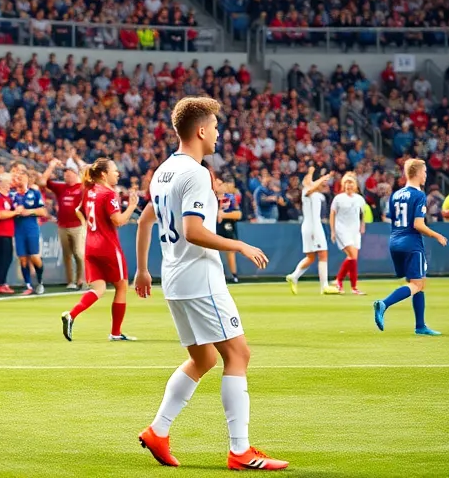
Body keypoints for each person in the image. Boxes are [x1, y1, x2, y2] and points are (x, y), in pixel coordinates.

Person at [135, 96, 287, 471]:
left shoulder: (163, 171)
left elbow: (144, 220)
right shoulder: (196, 174)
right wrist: (239, 243)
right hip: (200, 279)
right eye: (215, 127)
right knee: (238, 355)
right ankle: (240, 450)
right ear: (201, 131)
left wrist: (142, 270)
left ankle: (158, 430)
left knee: (202, 358)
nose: (219, 133)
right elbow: (193, 230)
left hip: (174, 279)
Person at [60, 158, 138, 342]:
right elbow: (118, 220)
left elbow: (79, 210)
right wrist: (132, 207)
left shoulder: (89, 191)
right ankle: (116, 333)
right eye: (115, 170)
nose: (117, 173)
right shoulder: (109, 194)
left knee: (98, 288)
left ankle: (71, 315)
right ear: (104, 174)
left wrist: (87, 225)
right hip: (108, 246)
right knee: (121, 286)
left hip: (91, 245)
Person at [373, 159, 447, 336]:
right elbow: (418, 225)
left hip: (395, 242)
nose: (426, 176)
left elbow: (391, 218)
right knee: (417, 284)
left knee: (418, 281)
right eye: (425, 172)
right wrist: (437, 235)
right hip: (411, 243)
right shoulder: (419, 195)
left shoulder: (396, 194)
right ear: (418, 173)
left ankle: (420, 325)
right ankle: (384, 304)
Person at [284, 168, 340, 295]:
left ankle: (294, 276)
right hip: (314, 227)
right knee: (323, 254)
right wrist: (318, 177)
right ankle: (324, 286)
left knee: (310, 257)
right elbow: (309, 185)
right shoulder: (307, 191)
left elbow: (311, 184)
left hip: (309, 226)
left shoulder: (316, 194)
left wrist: (316, 175)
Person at [43, 160, 86, 289]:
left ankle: (81, 279)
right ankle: (70, 281)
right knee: (67, 255)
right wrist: (51, 166)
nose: (67, 176)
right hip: (63, 225)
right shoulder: (61, 187)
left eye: (69, 173)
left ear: (75, 174)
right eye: (65, 174)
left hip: (78, 225)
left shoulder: (81, 187)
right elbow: (42, 182)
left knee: (79, 253)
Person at [329, 172, 367, 294]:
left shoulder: (359, 199)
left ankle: (339, 281)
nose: (348, 186)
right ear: (343, 185)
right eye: (346, 183)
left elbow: (362, 214)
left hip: (354, 230)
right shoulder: (338, 199)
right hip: (342, 229)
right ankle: (354, 287)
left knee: (352, 257)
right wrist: (333, 231)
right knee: (352, 255)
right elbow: (332, 214)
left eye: (351, 183)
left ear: (355, 185)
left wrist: (362, 225)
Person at [11, 169, 47, 295]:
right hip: (18, 229)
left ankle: (40, 281)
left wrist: (28, 211)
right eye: (17, 177)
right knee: (22, 259)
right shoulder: (12, 195)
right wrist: (15, 212)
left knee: (35, 257)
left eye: (21, 177)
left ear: (27, 179)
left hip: (31, 228)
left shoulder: (34, 193)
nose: (19, 180)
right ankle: (28, 285)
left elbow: (43, 212)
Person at [0, 174, 19, 294]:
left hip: (6, 232)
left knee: (6, 258)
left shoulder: (6, 198)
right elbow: (1, 214)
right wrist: (15, 212)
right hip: (0, 232)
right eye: (8, 182)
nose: (10, 185)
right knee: (3, 258)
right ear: (1, 183)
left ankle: (2, 282)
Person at [215, 175, 242, 284]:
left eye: (222, 184)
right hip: (212, 226)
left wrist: (222, 215)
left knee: (231, 251)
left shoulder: (230, 198)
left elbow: (238, 214)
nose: (220, 186)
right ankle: (215, 276)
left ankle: (234, 275)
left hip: (227, 226)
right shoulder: (209, 197)